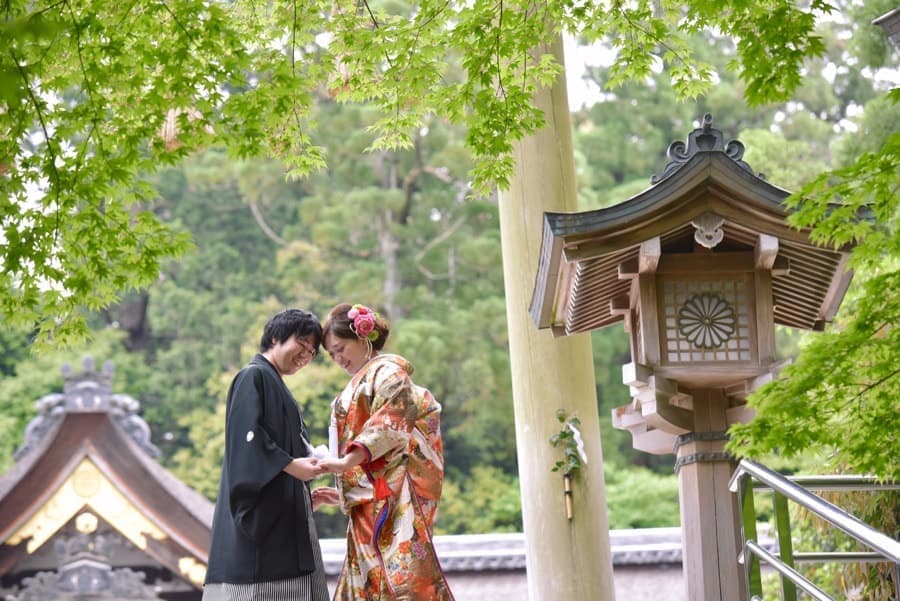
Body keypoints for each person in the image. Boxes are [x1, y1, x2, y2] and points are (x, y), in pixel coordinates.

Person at [313, 303, 455, 601]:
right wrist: (341, 491)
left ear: (362, 338)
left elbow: (389, 425)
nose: (339, 359)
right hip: (371, 499)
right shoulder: (363, 380)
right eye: (332, 354)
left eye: (341, 348)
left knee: (397, 578)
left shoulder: (389, 373)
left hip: (392, 495)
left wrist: (346, 461)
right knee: (370, 576)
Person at [203, 308, 330, 601]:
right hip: (262, 542)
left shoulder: (276, 384)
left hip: (284, 526)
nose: (306, 356)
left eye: (312, 352)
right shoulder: (253, 376)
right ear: (276, 338)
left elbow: (284, 453)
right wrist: (289, 465)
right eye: (302, 344)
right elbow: (247, 442)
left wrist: (304, 499)